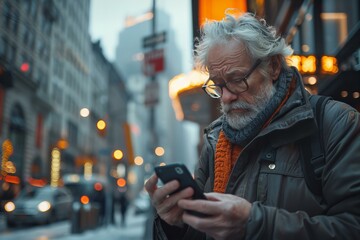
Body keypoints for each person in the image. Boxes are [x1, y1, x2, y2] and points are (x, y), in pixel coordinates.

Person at [145, 9, 360, 240]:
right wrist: (174, 225)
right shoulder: (215, 140)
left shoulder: (335, 124)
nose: (226, 97)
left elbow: (352, 227)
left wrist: (253, 224)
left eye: (237, 80)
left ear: (274, 67)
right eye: (218, 86)